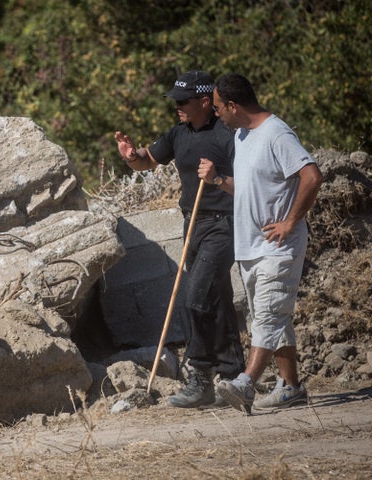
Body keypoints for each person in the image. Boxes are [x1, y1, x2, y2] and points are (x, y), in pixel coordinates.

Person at [115, 70, 246, 409]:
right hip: (193, 224)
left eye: (182, 101)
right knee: (216, 297)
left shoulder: (228, 134)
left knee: (195, 297)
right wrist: (131, 156)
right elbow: (148, 160)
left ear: (205, 101)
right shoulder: (178, 133)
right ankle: (233, 375)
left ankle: (200, 376)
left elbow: (250, 179)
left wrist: (218, 179)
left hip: (224, 223)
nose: (176, 106)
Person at [200, 73, 324, 414]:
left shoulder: (276, 133)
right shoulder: (242, 135)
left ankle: (245, 383)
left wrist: (290, 222)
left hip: (278, 247)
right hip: (251, 247)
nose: (216, 114)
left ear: (234, 106)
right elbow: (253, 189)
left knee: (268, 316)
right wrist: (218, 180)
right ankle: (292, 388)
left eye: (218, 107)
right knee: (270, 317)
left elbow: (312, 175)